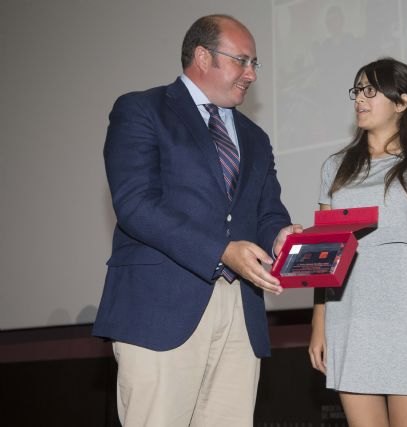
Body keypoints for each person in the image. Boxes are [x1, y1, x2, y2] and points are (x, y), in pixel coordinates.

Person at [92, 14, 300, 427]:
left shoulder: (255, 137)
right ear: (203, 57)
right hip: (161, 309)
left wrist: (280, 235)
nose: (252, 74)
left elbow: (267, 210)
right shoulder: (142, 110)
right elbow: (135, 204)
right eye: (242, 61)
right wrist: (221, 251)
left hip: (241, 310)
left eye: (255, 63)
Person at [308, 57, 407, 427]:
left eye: (370, 91)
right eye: (357, 90)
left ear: (402, 102)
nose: (360, 99)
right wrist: (318, 321)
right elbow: (322, 248)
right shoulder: (335, 165)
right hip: (351, 308)